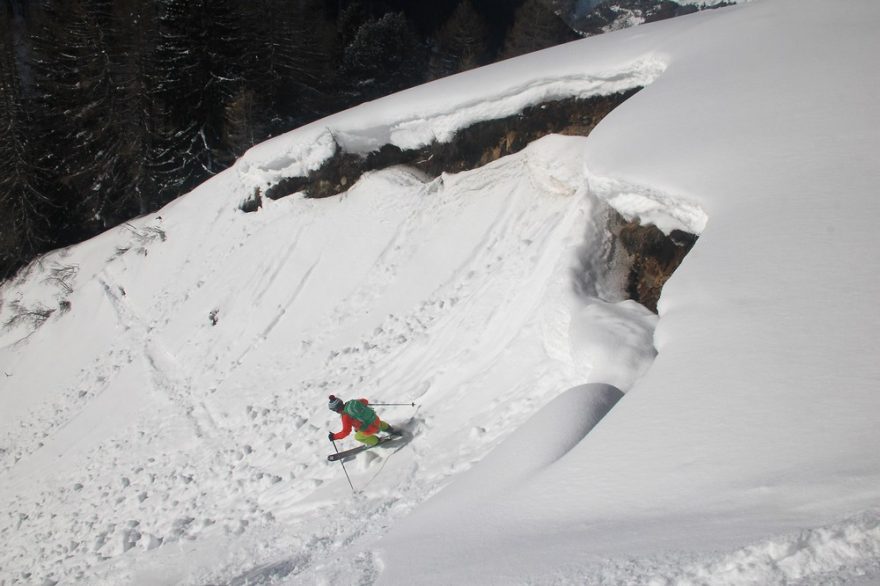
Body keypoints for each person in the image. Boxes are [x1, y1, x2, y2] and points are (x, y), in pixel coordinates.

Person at [328, 394, 398, 446]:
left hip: (369, 429)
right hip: (375, 419)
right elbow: (365, 401)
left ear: (336, 410)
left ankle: (377, 441)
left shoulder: (345, 416)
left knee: (358, 437)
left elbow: (346, 432)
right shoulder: (352, 403)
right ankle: (391, 430)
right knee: (379, 423)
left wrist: (334, 437)